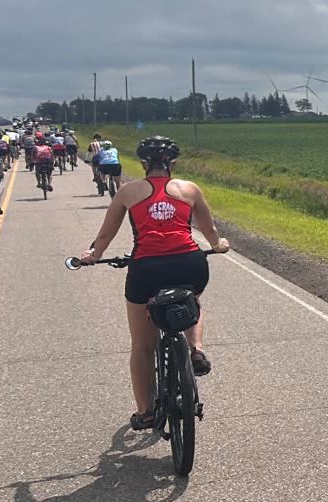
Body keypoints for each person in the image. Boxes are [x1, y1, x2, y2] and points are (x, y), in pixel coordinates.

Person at [77, 136, 230, 430]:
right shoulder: (190, 189)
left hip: (146, 268)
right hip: (189, 262)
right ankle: (196, 348)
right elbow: (209, 229)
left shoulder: (128, 191)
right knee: (193, 298)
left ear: (143, 163)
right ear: (173, 164)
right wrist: (218, 245)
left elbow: (106, 234)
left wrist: (93, 255)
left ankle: (145, 411)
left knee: (142, 347)